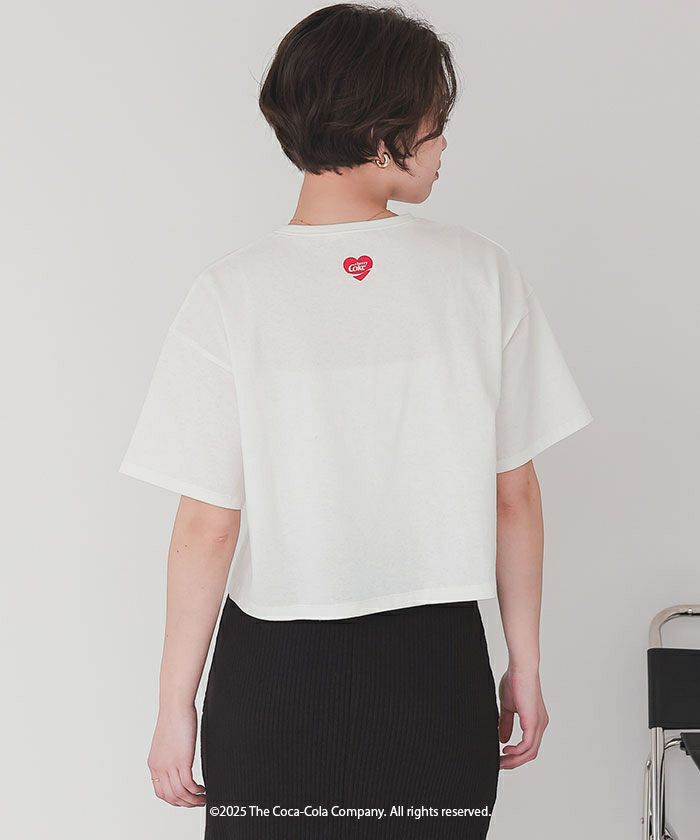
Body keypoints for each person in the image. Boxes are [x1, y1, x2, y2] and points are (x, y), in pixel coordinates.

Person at [118, 4, 593, 838]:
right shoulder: (480, 275)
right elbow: (513, 494)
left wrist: (174, 706)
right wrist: (524, 662)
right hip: (438, 669)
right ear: (384, 135)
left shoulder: (231, 293)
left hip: (273, 676)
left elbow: (206, 525)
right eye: (435, 123)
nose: (443, 145)